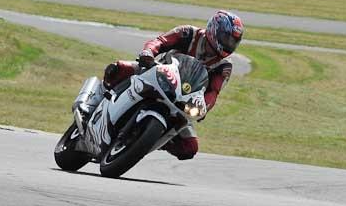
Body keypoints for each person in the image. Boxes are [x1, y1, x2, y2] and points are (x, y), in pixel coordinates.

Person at [103, 10, 244, 161]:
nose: (229, 44)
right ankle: (100, 98)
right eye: (226, 38)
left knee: (190, 147)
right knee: (119, 68)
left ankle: (148, 139)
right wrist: (148, 53)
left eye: (233, 41)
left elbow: (214, 92)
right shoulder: (188, 33)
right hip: (156, 73)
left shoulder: (224, 65)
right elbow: (160, 41)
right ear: (214, 30)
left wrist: (205, 107)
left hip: (183, 100)